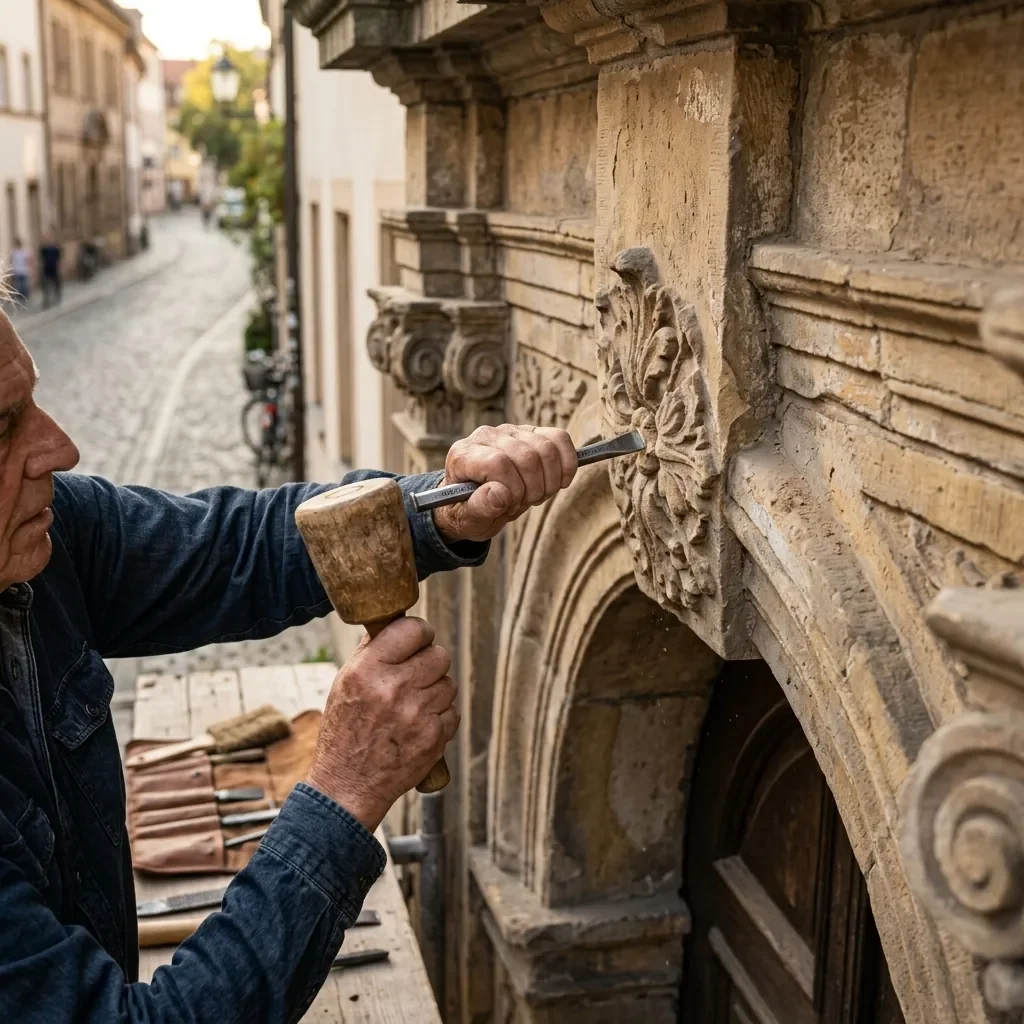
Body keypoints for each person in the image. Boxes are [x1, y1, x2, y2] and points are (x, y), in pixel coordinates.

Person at [0, 306, 578, 1022]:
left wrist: (440, 507)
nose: (60, 447)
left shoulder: (38, 551)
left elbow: (231, 549)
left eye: (33, 405)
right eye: (4, 429)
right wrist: (343, 789)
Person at [39, 235, 62, 309]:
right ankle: (46, 301)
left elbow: (59, 259)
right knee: (46, 286)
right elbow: (41, 259)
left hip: (54, 269)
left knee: (56, 284)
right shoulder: (44, 249)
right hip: (46, 269)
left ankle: (57, 297)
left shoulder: (55, 248)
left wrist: (60, 267)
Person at [9, 239, 31, 303]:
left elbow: (28, 261)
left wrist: (29, 269)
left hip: (24, 271)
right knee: (17, 286)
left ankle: (24, 298)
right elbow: (11, 261)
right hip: (17, 271)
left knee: (24, 286)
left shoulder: (25, 252)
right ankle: (19, 298)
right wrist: (11, 269)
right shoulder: (14, 252)